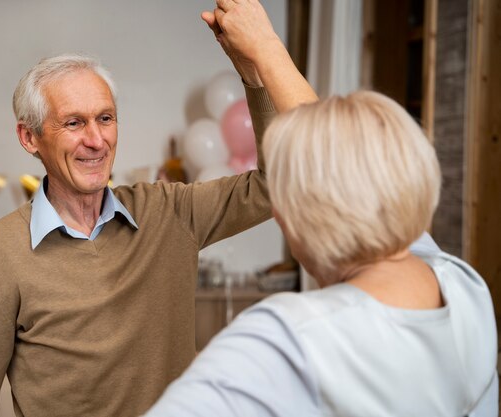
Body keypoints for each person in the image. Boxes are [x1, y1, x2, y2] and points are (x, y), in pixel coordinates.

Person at [0, 5, 317, 417]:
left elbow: (274, 183)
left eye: (106, 118)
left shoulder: (170, 213)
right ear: (29, 138)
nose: (96, 139)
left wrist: (254, 73)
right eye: (73, 123)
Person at [144, 1, 498, 416]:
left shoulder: (285, 343)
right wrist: (265, 48)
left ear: (288, 214)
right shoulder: (463, 288)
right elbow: (335, 157)